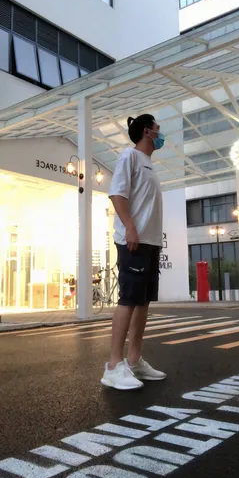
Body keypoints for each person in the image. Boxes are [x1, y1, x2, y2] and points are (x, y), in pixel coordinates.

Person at [101, 113, 166, 390]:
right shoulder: (129, 156)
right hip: (133, 241)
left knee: (143, 301)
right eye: (157, 129)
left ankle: (135, 360)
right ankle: (114, 366)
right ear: (146, 132)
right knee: (128, 299)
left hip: (150, 242)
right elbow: (117, 194)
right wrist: (130, 228)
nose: (160, 134)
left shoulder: (149, 163)